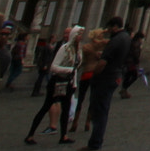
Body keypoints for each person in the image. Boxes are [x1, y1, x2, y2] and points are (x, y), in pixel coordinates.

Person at [24, 27, 81, 145]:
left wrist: (74, 83)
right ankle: (30, 135)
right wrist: (69, 70)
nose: (81, 37)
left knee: (65, 110)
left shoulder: (77, 50)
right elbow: (54, 67)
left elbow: (76, 69)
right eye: (79, 34)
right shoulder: (64, 48)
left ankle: (64, 136)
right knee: (45, 107)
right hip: (57, 82)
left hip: (69, 83)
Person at [80, 17, 129, 151]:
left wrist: (95, 74)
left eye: (109, 28)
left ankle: (95, 143)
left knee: (99, 111)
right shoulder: (126, 37)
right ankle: (96, 141)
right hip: (116, 75)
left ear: (114, 27)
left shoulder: (115, 40)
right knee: (103, 110)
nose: (107, 31)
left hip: (105, 77)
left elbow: (103, 63)